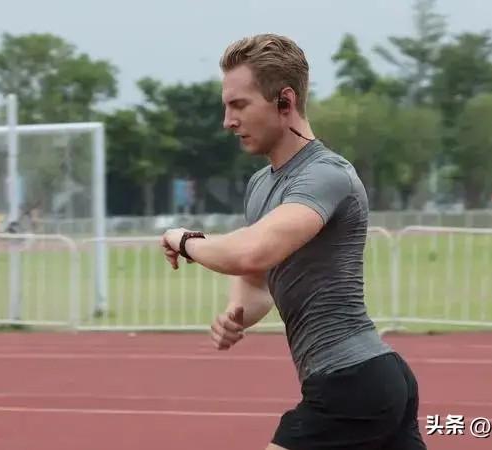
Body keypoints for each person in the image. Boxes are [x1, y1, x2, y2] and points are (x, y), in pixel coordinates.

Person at [160, 34, 427, 450]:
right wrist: (236, 315)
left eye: (239, 105)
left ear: (285, 102)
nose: (228, 121)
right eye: (226, 106)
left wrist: (184, 239)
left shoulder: (326, 175)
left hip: (351, 382)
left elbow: (254, 251)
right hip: (362, 382)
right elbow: (256, 282)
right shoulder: (260, 185)